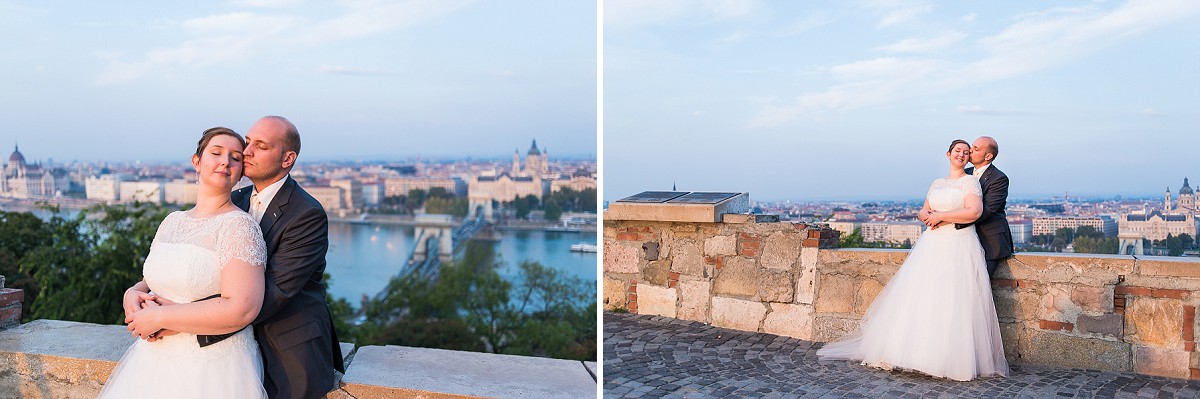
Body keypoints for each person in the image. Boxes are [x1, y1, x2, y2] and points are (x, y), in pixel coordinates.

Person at [816, 139, 1008, 381]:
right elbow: (923, 209)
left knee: (955, 298)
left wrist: (942, 217)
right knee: (923, 296)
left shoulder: (973, 181)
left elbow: (977, 212)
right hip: (933, 244)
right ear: (948, 154)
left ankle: (948, 358)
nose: (963, 154)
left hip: (961, 242)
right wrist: (926, 215)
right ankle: (913, 353)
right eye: (958, 150)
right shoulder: (939, 182)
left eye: (967, 151)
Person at [103, 127, 269, 398]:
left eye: (235, 157)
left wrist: (158, 316)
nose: (225, 161)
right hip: (152, 363)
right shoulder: (173, 221)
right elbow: (152, 279)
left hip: (212, 367)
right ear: (197, 162)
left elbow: (242, 308)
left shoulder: (238, 226)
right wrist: (132, 293)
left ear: (241, 172)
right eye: (216, 153)